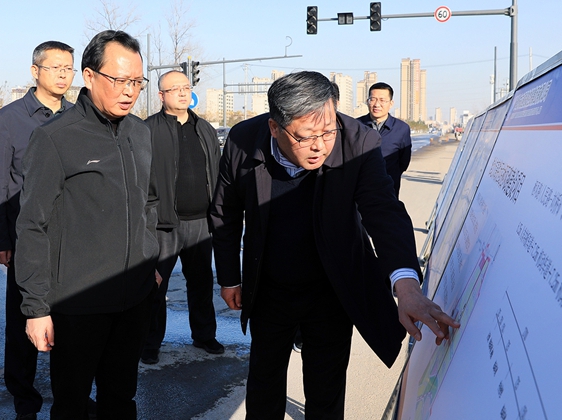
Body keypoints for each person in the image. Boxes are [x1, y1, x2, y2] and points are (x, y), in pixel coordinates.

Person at [209, 71, 459, 419]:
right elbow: (225, 211)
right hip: (269, 286)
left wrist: (407, 286)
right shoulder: (242, 140)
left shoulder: (358, 141)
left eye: (328, 132)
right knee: (264, 385)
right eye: (306, 136)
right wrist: (229, 278)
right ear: (275, 128)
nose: (320, 146)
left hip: (332, 287)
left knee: (325, 392)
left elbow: (383, 210)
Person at [15, 30, 161, 419]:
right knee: (72, 405)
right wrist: (36, 308)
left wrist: (150, 259)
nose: (129, 91)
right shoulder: (55, 138)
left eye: (137, 82)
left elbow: (149, 203)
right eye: (120, 80)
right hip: (77, 305)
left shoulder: (140, 133)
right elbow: (31, 225)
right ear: (90, 76)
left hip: (133, 300)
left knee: (121, 400)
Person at [0, 40, 75, 420]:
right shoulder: (8, 119)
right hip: (27, 237)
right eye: (56, 67)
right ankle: (25, 401)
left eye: (68, 68)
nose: (63, 75)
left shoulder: (78, 116)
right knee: (24, 322)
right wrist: (0, 239)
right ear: (35, 71)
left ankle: (70, 395)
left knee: (70, 322)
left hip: (71, 240)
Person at [141, 70, 222, 364]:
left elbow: (217, 171)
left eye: (186, 87)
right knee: (154, 286)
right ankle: (150, 343)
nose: (182, 92)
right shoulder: (147, 130)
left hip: (201, 222)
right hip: (162, 224)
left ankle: (204, 335)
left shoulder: (205, 129)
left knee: (201, 283)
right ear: (161, 96)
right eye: (175, 88)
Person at [357, 82, 412, 198]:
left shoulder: (401, 129)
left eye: (382, 100)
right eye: (372, 99)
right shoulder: (356, 125)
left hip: (389, 189)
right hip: (359, 189)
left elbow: (403, 162)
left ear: (391, 103)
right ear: (367, 101)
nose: (377, 104)